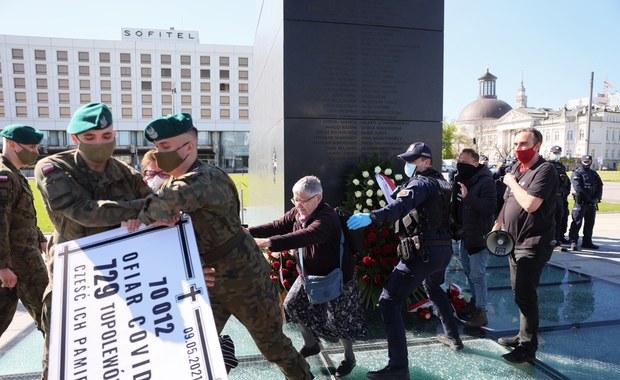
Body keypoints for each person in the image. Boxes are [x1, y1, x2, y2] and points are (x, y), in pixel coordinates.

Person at [122, 113, 313, 379]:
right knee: (194, 347)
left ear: (189, 147)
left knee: (273, 346)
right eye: (157, 148)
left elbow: (160, 206)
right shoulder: (172, 181)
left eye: (166, 148)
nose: (160, 154)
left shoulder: (205, 178)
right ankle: (224, 357)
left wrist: (127, 216)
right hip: (206, 279)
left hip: (245, 280)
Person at [34, 103, 153, 380]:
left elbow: (155, 204)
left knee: (119, 352)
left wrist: (150, 214)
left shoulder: (125, 173)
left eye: (106, 136)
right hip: (72, 277)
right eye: (89, 137)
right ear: (74, 138)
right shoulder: (52, 167)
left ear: (114, 135)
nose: (99, 143)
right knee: (62, 358)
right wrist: (141, 211)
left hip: (120, 276)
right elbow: (83, 212)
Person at [347, 142, 461, 380]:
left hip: (423, 252)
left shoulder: (420, 182)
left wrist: (371, 216)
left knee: (389, 301)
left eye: (413, 160)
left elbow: (400, 206)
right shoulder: (443, 182)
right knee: (432, 286)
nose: (408, 164)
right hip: (443, 250)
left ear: (426, 161)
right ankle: (452, 334)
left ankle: (398, 367)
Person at [250, 175, 367, 378]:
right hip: (308, 275)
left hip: (336, 278)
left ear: (318, 198)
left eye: (303, 200)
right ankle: (311, 344)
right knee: (291, 305)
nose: (298, 205)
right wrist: (248, 232)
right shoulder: (298, 211)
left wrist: (269, 242)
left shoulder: (327, 218)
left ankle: (349, 358)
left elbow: (307, 236)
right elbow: (278, 225)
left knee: (341, 322)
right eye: (295, 199)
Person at [139, 149, 239, 374]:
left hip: (182, 294)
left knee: (195, 345)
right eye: (150, 173)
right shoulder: (136, 210)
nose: (154, 179)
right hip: (150, 296)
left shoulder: (184, 211)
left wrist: (192, 270)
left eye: (162, 174)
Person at [492, 127, 558, 364]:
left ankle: (528, 347)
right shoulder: (516, 169)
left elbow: (530, 204)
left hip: (533, 242)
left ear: (537, 145)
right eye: (516, 144)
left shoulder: (545, 170)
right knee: (519, 293)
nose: (518, 149)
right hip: (512, 241)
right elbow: (507, 202)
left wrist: (511, 182)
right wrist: (497, 224)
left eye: (523, 144)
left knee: (526, 294)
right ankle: (522, 335)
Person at [0, 125, 49, 341]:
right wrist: (2, 266)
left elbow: (20, 216)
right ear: (12, 144)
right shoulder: (4, 175)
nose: (35, 151)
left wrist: (39, 237)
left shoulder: (14, 174)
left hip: (21, 260)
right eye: (31, 146)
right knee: (51, 317)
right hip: (19, 263)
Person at [451, 148, 496, 328]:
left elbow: (489, 207)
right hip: (464, 235)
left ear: (476, 163)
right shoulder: (460, 179)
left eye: (465, 161)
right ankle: (475, 304)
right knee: (469, 272)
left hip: (479, 235)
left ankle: (482, 311)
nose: (460, 164)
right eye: (459, 160)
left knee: (478, 273)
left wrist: (468, 197)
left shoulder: (486, 182)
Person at [568, 155, 603, 251]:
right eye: (585, 161)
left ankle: (587, 241)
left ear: (591, 161)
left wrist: (597, 198)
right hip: (581, 203)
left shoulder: (594, 173)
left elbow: (600, 185)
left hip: (591, 204)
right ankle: (573, 241)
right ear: (582, 161)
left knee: (590, 223)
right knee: (577, 223)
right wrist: (589, 199)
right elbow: (578, 188)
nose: (587, 163)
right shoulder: (577, 173)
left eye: (588, 161)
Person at [548, 146, 571, 247]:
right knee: (550, 220)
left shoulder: (561, 167)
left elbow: (567, 182)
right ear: (550, 153)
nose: (556, 155)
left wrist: (566, 193)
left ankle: (557, 240)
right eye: (555, 153)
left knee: (559, 219)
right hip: (551, 198)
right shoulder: (547, 165)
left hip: (561, 198)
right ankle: (549, 240)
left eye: (558, 153)